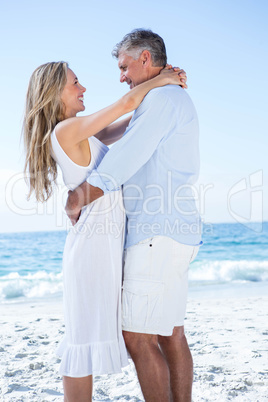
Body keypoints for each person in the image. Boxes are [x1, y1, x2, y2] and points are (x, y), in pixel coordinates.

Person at [23, 60, 187, 401]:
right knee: (81, 344)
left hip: (104, 248)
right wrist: (164, 79)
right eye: (75, 83)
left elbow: (130, 124)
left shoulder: (79, 131)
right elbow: (125, 104)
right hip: (92, 252)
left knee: (86, 341)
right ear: (54, 93)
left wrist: (165, 93)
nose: (83, 88)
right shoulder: (65, 132)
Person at [66, 29, 202, 402]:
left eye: (125, 66)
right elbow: (119, 130)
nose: (121, 76)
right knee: (170, 333)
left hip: (155, 235)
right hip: (176, 232)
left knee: (138, 338)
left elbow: (124, 162)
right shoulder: (168, 96)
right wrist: (163, 78)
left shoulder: (161, 100)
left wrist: (80, 195)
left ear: (145, 58)